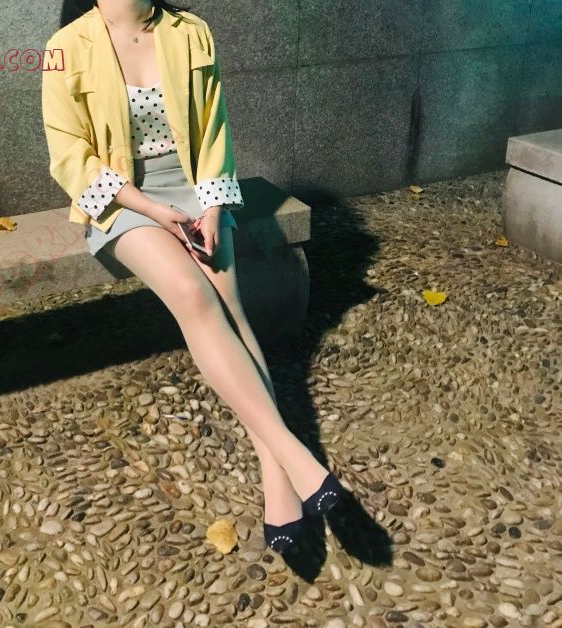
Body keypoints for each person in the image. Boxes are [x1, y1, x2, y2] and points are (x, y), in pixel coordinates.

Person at [42, 0, 343, 554]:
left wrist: (212, 206)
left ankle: (276, 475)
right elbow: (68, 156)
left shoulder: (191, 32)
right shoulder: (66, 47)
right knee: (191, 292)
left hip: (197, 190)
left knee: (232, 310)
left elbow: (213, 130)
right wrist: (152, 210)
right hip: (123, 201)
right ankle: (293, 453)